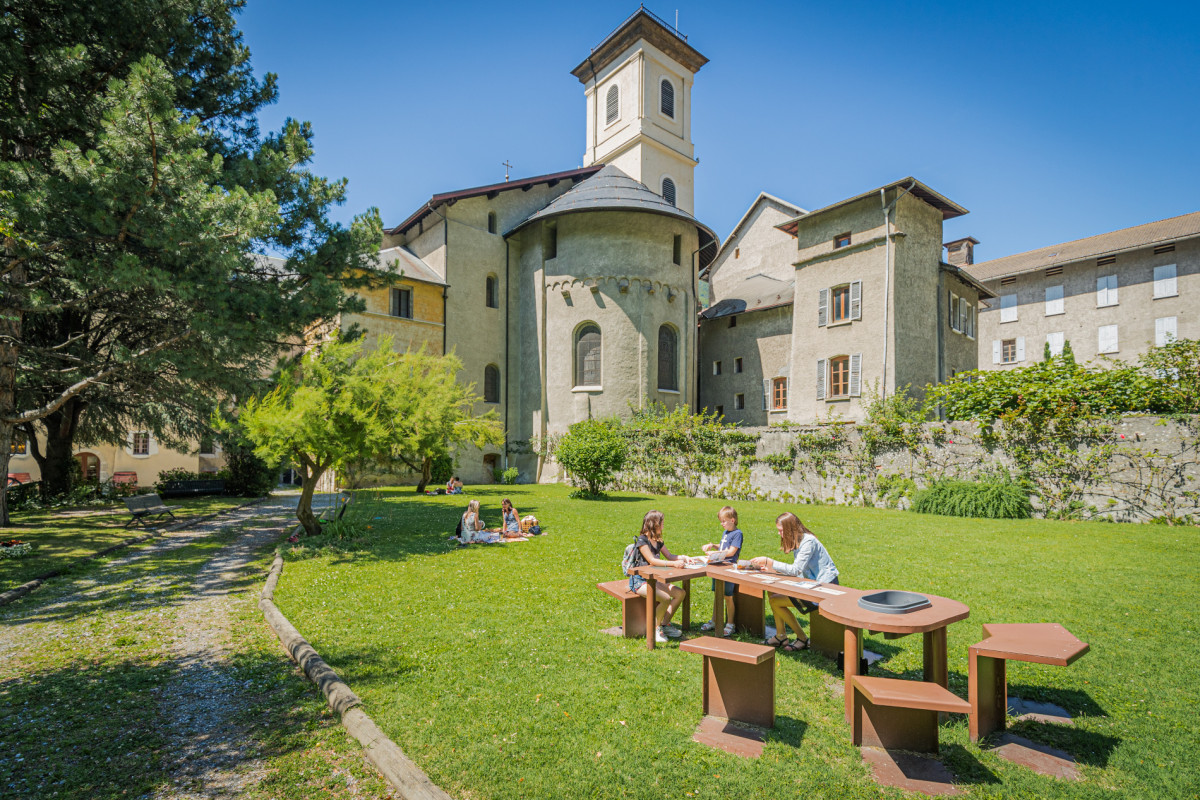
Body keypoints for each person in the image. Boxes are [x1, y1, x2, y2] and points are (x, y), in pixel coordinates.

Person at [751, 512, 840, 652]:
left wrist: (770, 562)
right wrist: (771, 569)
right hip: (812, 585)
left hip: (825, 587)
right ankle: (781, 636)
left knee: (775, 602)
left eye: (781, 530)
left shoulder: (808, 542)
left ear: (789, 529)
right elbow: (798, 571)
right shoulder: (799, 541)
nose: (779, 534)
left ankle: (802, 638)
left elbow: (796, 569)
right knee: (772, 591)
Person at [627, 510, 689, 643]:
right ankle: (654, 628)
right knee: (665, 598)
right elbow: (652, 560)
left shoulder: (658, 541)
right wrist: (673, 564)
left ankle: (664, 624)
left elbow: (670, 556)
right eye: (662, 523)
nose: (663, 526)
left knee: (680, 593)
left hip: (654, 580)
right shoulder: (642, 541)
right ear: (654, 524)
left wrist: (684, 558)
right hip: (640, 581)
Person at [699, 506, 742, 638]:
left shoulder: (737, 534)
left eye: (724, 521)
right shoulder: (726, 532)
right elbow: (723, 546)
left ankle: (730, 624)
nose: (721, 524)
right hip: (718, 566)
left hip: (728, 569)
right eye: (721, 521)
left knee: (728, 596)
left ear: (732, 520)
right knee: (718, 594)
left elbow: (731, 551)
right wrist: (713, 545)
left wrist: (716, 553)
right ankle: (715, 620)